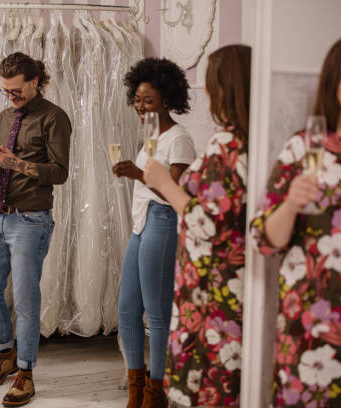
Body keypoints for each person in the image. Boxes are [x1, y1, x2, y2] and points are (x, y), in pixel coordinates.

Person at [250, 32, 341, 408]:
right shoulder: (304, 147)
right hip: (313, 333)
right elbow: (264, 240)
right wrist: (290, 205)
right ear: (333, 81)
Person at [144, 44, 251, 408]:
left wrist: (163, 182)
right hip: (235, 277)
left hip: (211, 281)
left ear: (222, 89)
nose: (205, 92)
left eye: (208, 84)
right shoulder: (253, 143)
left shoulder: (226, 147)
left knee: (210, 379)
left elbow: (205, 221)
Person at [0, 52, 71, 407]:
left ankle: (26, 374)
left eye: (15, 90)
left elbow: (59, 172)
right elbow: (2, 172)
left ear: (34, 82)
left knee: (26, 301)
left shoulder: (55, 117)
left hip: (31, 219)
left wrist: (13, 162)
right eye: (5, 91)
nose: (10, 96)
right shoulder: (2, 117)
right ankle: (5, 353)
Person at [113, 57, 195, 408]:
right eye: (137, 99)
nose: (140, 106)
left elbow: (175, 194)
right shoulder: (149, 135)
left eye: (148, 100)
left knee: (157, 313)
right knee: (127, 310)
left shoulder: (180, 139)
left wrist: (137, 175)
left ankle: (155, 392)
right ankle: (136, 386)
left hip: (163, 220)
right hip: (141, 223)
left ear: (167, 98)